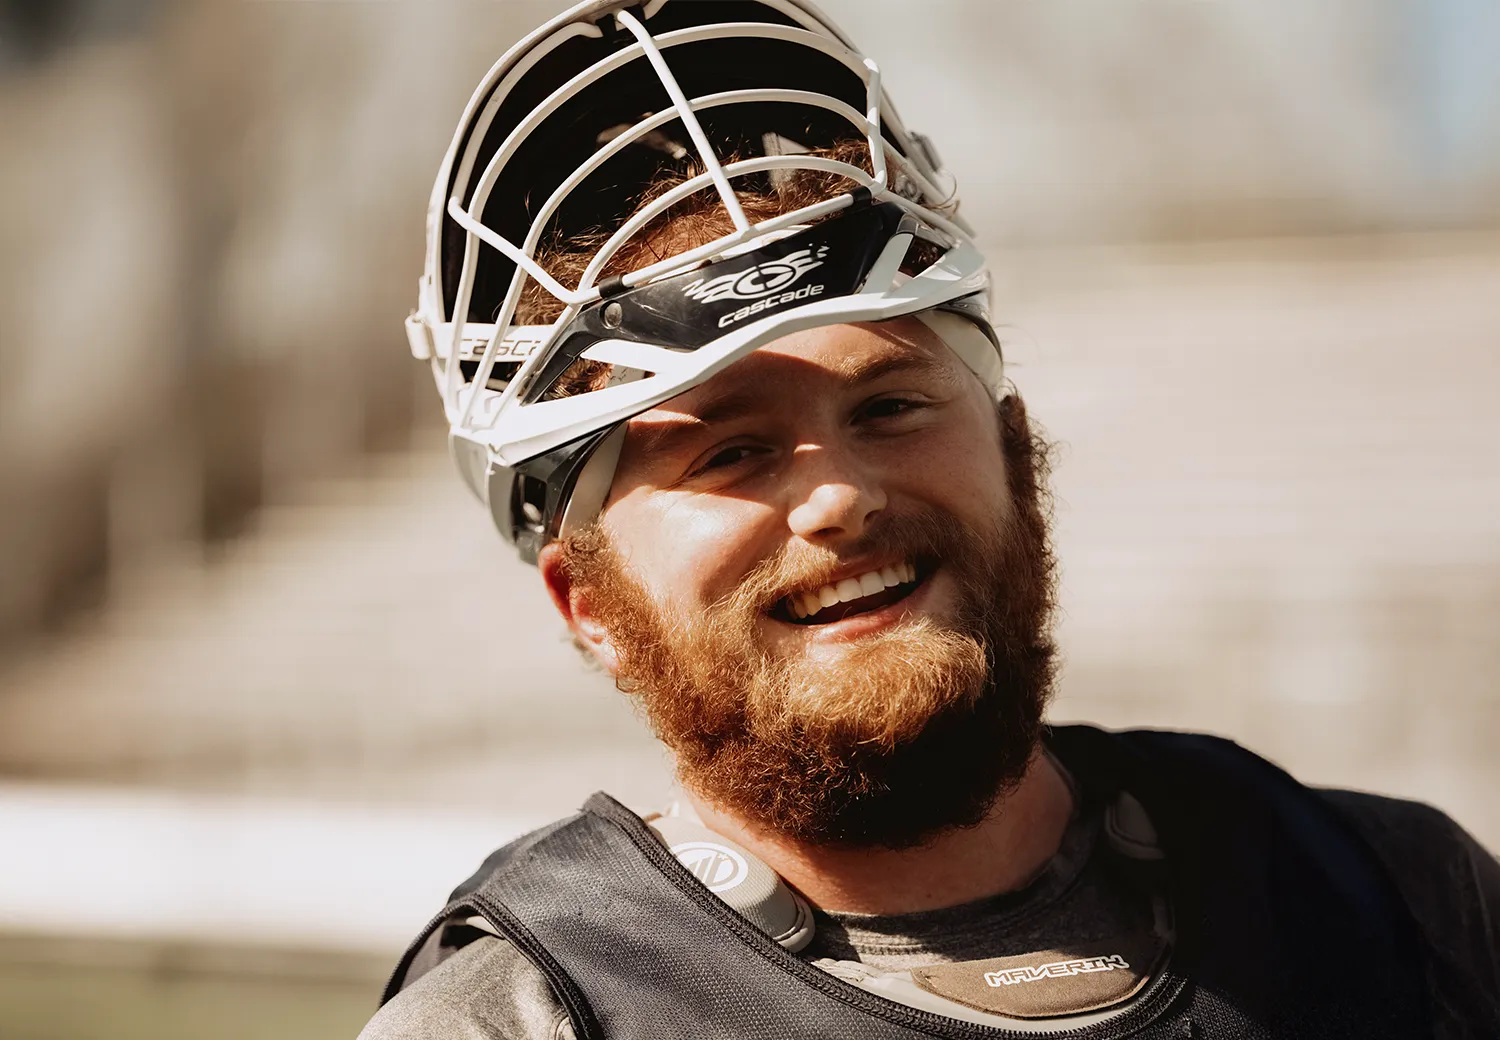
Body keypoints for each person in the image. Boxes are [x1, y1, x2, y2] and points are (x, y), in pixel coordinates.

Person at [362, 2, 1500, 1037]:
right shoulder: (522, 1020)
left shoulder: (1396, 900)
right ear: (588, 602)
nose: (840, 495)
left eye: (891, 403)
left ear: (1012, 448)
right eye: (733, 450)